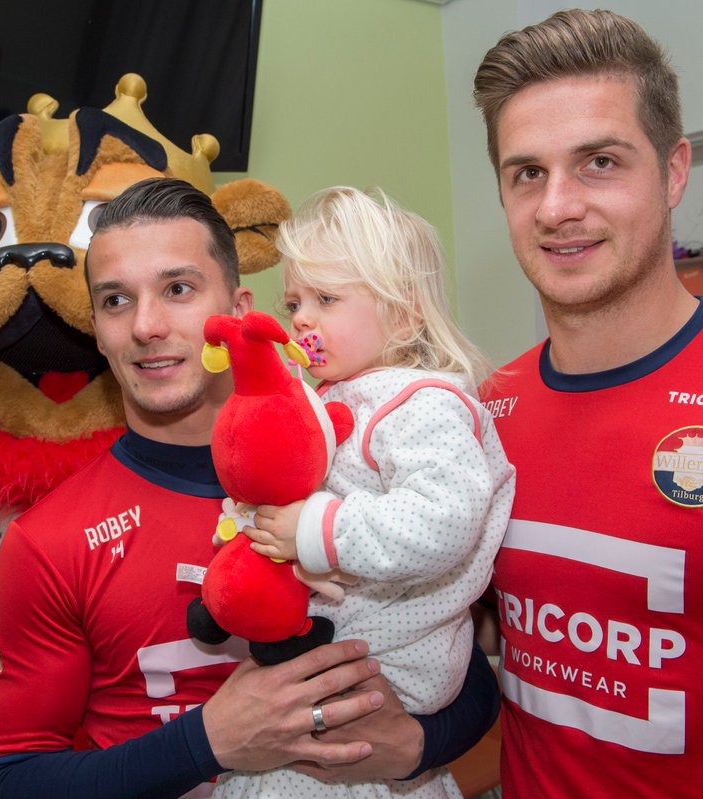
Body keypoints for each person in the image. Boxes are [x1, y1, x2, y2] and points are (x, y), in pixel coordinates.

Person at [0, 177, 502, 799]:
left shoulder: (355, 463)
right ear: (95, 327)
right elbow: (17, 783)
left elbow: (459, 651)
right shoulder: (48, 541)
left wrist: (416, 747)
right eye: (116, 300)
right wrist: (210, 741)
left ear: (239, 311)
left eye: (178, 289)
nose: (147, 325)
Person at [472, 9, 703, 798]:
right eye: (527, 173)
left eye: (599, 161)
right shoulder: (478, 412)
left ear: (675, 172)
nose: (556, 206)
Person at [212, 186, 515, 799]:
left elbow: (445, 518)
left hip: (386, 670)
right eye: (295, 299)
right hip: (329, 658)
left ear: (403, 315)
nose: (300, 318)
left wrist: (317, 530)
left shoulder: (421, 403)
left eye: (326, 299)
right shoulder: (329, 395)